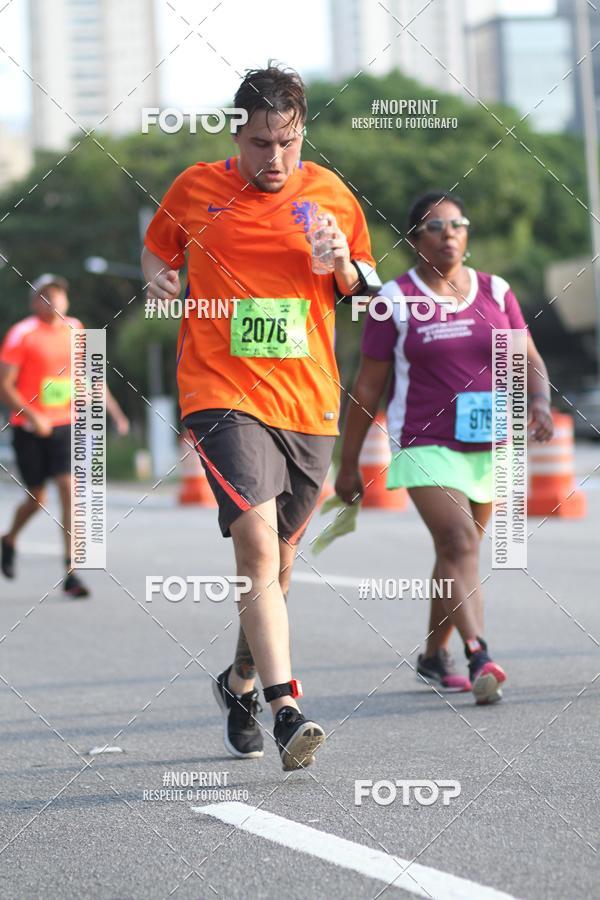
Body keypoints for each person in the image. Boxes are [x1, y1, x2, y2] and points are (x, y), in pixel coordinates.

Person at [142, 65, 379, 770]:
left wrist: (344, 267)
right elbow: (157, 249)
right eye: (261, 143)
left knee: (277, 569)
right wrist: (156, 278)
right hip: (221, 393)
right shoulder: (195, 188)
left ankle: (239, 682)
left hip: (308, 403)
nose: (274, 159)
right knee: (255, 547)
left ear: (302, 133)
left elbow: (366, 293)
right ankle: (285, 709)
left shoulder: (330, 196)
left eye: (288, 142)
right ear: (235, 134)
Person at [335, 191, 553, 705]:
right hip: (424, 443)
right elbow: (367, 387)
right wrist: (347, 467)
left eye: (458, 224)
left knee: (457, 552)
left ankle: (433, 657)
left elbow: (529, 357)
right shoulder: (394, 299)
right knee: (458, 543)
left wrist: (539, 402)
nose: (449, 234)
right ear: (415, 240)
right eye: (436, 227)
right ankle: (479, 653)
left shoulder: (496, 291)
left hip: (489, 443)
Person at [0, 274, 130, 597]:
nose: (55, 300)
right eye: (46, 295)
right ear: (35, 303)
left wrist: (115, 412)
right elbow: (5, 386)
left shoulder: (77, 328)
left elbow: (90, 375)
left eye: (58, 294)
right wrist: (33, 416)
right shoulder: (21, 335)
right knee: (36, 497)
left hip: (65, 423)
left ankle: (71, 572)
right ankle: (9, 538)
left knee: (69, 488)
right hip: (28, 427)